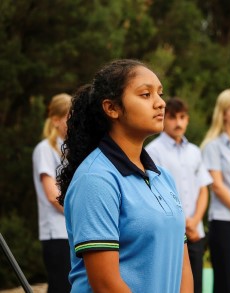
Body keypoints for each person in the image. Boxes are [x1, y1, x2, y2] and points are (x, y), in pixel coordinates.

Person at [57, 59, 193, 293]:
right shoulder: (96, 179)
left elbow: (182, 266)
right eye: (145, 95)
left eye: (160, 94)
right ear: (112, 108)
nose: (160, 104)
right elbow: (106, 284)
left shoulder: (163, 178)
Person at [145, 97, 212, 293]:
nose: (178, 123)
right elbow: (154, 193)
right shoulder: (152, 152)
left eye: (182, 117)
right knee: (172, 284)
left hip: (195, 231)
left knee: (196, 285)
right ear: (164, 119)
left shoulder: (194, 151)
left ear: (188, 119)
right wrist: (182, 223)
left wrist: (195, 220)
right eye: (173, 118)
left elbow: (203, 189)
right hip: (170, 231)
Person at [200, 89, 230, 293]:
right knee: (227, 281)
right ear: (223, 113)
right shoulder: (213, 146)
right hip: (225, 222)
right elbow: (217, 186)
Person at [32, 93, 72, 293]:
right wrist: (81, 215)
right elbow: (52, 194)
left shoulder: (73, 150)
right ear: (56, 120)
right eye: (69, 117)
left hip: (73, 232)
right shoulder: (44, 149)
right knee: (61, 287)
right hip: (56, 233)